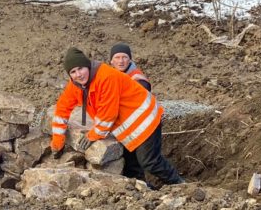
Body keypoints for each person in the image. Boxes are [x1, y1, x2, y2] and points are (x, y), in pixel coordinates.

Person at [50, 47, 184, 185]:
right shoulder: (76, 85)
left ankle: (179, 184)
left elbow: (108, 114)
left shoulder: (106, 77)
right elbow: (61, 109)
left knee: (149, 162)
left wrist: (93, 134)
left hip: (145, 118)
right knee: (131, 166)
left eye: (80, 68)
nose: (78, 74)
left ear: (88, 66)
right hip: (128, 123)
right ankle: (144, 190)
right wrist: (57, 141)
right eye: (73, 72)